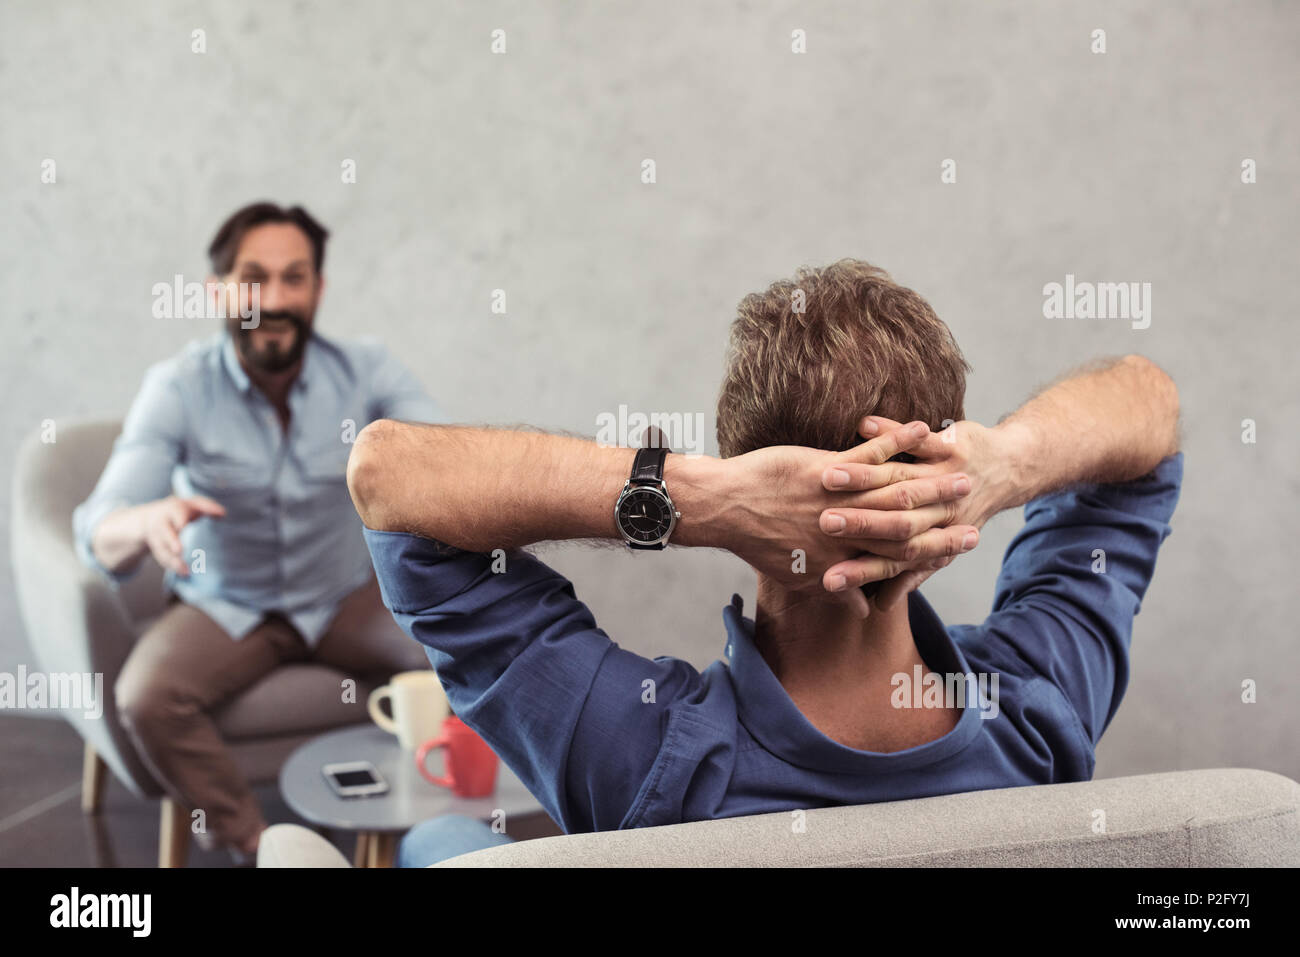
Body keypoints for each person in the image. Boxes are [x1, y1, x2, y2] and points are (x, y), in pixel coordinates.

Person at [347, 259, 1181, 867]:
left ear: (745, 464)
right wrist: (1005, 464)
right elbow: (1150, 407)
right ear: (943, 485)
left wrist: (701, 500)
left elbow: (387, 478)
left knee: (439, 841)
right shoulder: (1043, 707)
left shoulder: (642, 758)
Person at [73, 202, 442, 863]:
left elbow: (446, 454)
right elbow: (99, 526)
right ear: (218, 291)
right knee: (146, 697)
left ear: (318, 290)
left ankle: (437, 832)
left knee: (462, 648)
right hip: (226, 601)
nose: (273, 299)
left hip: (343, 595)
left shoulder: (367, 370)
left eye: (293, 278)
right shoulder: (179, 387)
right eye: (253, 277)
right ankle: (264, 843)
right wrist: (143, 519)